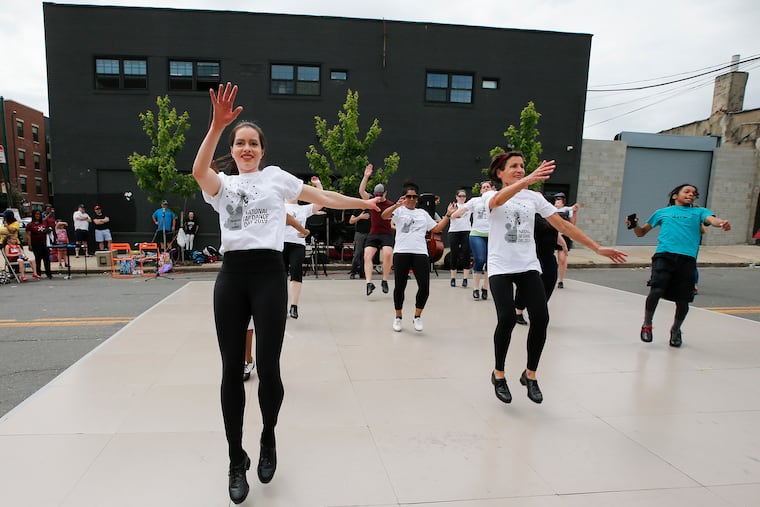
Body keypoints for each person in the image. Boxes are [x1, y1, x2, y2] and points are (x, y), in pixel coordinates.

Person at [191, 82, 380, 505]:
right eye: (240, 142)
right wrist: (216, 126)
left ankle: (268, 437)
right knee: (230, 372)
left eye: (252, 143)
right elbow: (199, 171)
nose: (245, 148)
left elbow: (323, 196)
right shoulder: (221, 185)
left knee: (270, 369)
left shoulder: (276, 179)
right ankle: (234, 459)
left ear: (262, 149)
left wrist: (363, 205)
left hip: (269, 275)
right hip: (232, 278)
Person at [486, 151, 626, 405]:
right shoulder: (490, 195)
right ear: (499, 172)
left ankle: (530, 375)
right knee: (506, 319)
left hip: (528, 265)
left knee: (541, 318)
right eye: (514, 166)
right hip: (500, 267)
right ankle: (498, 374)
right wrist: (526, 179)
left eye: (522, 166)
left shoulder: (533, 198)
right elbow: (497, 200)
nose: (519, 169)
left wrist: (597, 248)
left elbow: (563, 226)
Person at [627, 183, 730, 348]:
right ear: (675, 195)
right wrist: (634, 226)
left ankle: (676, 330)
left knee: (683, 300)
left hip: (687, 259)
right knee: (656, 291)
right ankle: (647, 324)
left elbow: (712, 220)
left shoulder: (699, 212)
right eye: (687, 191)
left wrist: (722, 223)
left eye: (694, 193)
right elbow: (641, 233)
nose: (691, 194)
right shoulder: (662, 212)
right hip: (664, 256)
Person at [382, 181, 455, 332]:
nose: (412, 199)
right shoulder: (399, 211)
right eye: (409, 196)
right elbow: (384, 216)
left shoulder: (422, 213)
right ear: (404, 197)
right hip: (402, 252)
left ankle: (417, 316)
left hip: (420, 252)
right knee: (400, 286)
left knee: (424, 287)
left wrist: (448, 215)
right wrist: (396, 205)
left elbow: (436, 228)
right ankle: (398, 317)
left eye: (414, 196)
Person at [514, 212, 567, 325]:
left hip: (548, 258)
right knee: (526, 286)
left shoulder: (554, 222)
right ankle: (518, 311)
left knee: (548, 284)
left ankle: (536, 311)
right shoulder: (536, 219)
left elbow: (558, 235)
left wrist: (564, 245)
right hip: (532, 258)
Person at [284, 176, 323, 319]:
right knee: (280, 275)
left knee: (296, 271)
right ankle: (281, 305)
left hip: (297, 244)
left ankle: (294, 306)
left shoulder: (303, 209)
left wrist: (318, 185)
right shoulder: (280, 205)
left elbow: (320, 201)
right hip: (280, 244)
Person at [451, 181, 494, 300]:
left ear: (492, 189)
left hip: (492, 235)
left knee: (490, 262)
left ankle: (485, 288)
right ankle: (475, 288)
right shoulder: (475, 201)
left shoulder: (496, 200)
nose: (485, 189)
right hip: (477, 233)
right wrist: (453, 214)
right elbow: (462, 210)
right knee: (480, 259)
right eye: (483, 187)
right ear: (480, 191)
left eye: (487, 187)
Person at [358, 165, 395, 296]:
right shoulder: (371, 200)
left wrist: (394, 225)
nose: (378, 197)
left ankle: (384, 280)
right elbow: (361, 192)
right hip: (373, 233)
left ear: (385, 193)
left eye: (380, 195)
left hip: (386, 234)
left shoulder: (390, 205)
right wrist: (366, 176)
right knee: (367, 256)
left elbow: (394, 219)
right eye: (376, 195)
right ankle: (369, 283)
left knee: (388, 254)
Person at [553, 192, 578, 289]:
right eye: (556, 200)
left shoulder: (568, 210)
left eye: (559, 200)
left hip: (564, 236)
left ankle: (561, 280)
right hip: (552, 235)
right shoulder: (551, 209)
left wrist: (574, 212)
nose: (557, 202)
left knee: (562, 259)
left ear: (563, 202)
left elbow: (572, 223)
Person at [448, 188, 472, 288]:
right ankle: (453, 278)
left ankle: (465, 278)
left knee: (466, 253)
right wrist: (452, 212)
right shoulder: (453, 205)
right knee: (454, 254)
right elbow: (450, 216)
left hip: (466, 230)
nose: (462, 198)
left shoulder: (469, 206)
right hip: (454, 231)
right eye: (460, 196)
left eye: (464, 196)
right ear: (456, 197)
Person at [25, 209, 53, 279]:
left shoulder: (43, 222)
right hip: (35, 244)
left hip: (44, 243)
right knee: (38, 259)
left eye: (39, 214)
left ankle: (48, 273)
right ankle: (38, 273)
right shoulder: (30, 225)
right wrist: (29, 245)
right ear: (33, 215)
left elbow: (47, 229)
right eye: (36, 214)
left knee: (46, 259)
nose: (38, 216)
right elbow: (28, 235)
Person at [348, 208, 370, 279]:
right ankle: (353, 271)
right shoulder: (358, 209)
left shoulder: (373, 209)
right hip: (360, 233)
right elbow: (351, 221)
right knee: (357, 253)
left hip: (370, 233)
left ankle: (363, 272)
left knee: (367, 254)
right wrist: (360, 217)